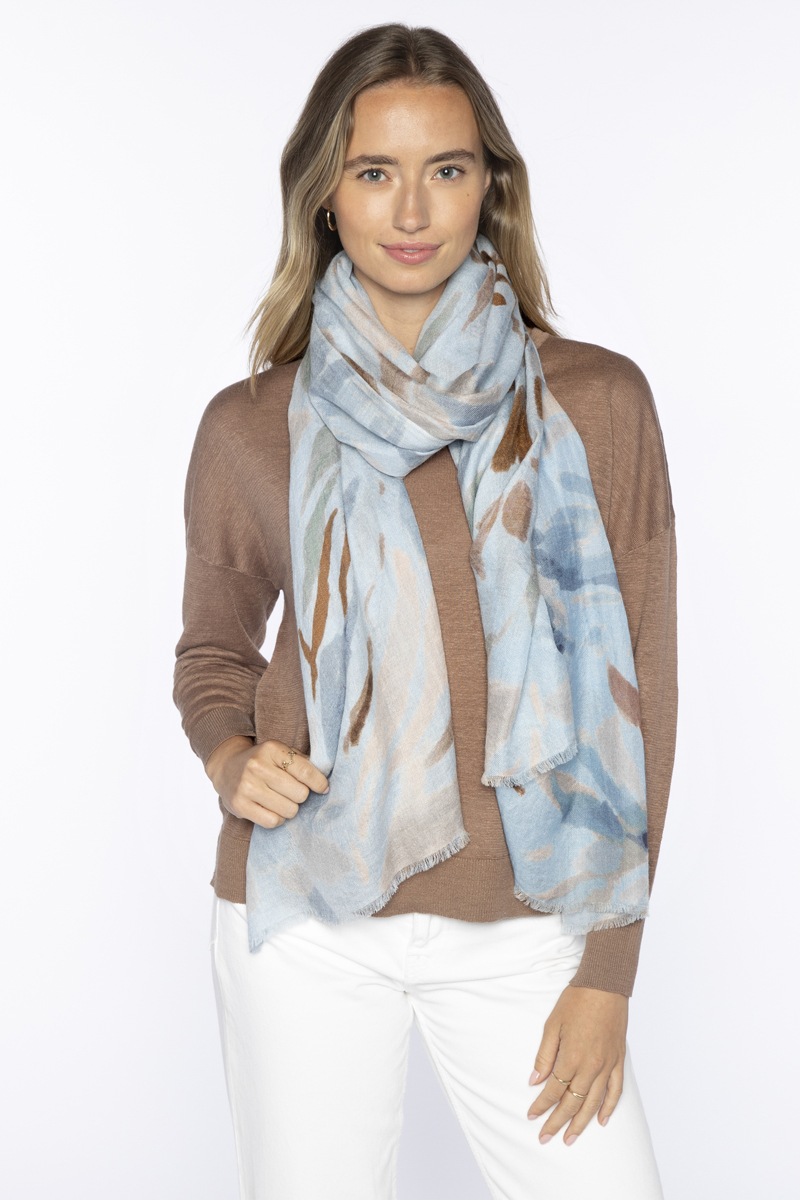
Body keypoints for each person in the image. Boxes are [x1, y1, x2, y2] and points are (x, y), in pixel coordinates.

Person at [174, 22, 677, 1200]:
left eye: (444, 169)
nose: (410, 210)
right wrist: (229, 756)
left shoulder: (596, 401)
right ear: (325, 195)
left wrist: (608, 971)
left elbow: (643, 686)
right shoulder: (250, 423)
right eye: (372, 171)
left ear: (488, 186)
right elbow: (212, 648)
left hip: (533, 915)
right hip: (304, 916)